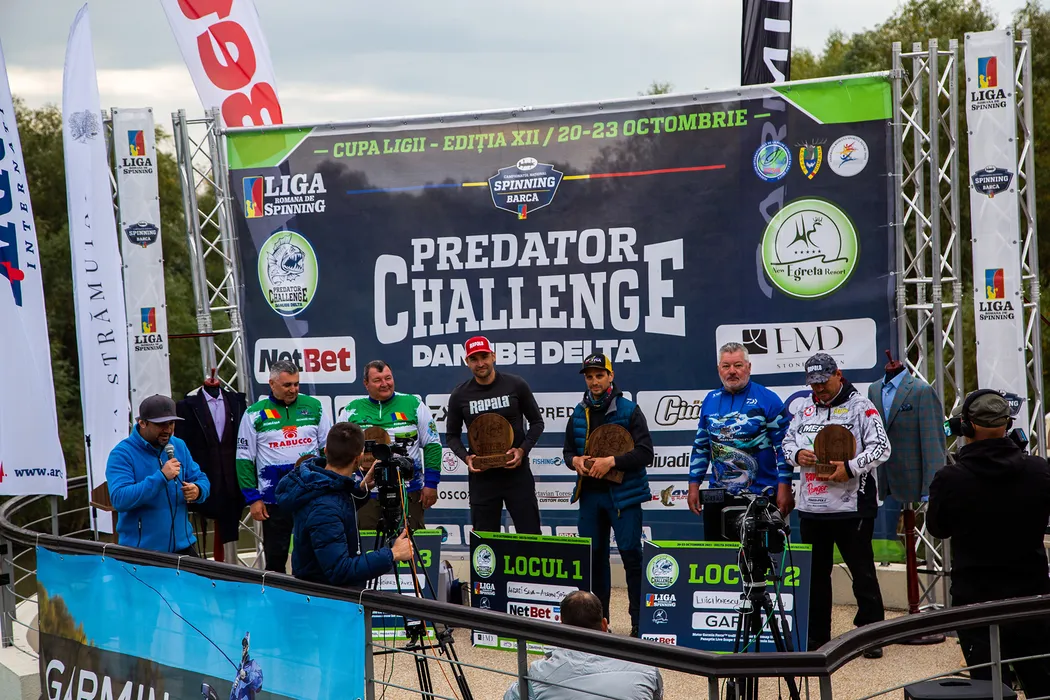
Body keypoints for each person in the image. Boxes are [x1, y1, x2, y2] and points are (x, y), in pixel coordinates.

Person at [927, 391, 1050, 696]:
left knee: (988, 688)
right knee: (1041, 683)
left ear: (966, 427)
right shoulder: (1039, 470)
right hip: (1031, 597)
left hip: (975, 602)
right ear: (1008, 424)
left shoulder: (950, 479)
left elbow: (938, 528)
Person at [782, 353, 890, 657]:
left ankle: (871, 635)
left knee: (862, 572)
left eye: (823, 382)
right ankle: (817, 637)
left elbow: (882, 448)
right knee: (816, 576)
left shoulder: (861, 406)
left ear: (838, 374)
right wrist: (796, 455)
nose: (819, 388)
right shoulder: (804, 408)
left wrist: (851, 467)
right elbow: (786, 443)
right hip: (812, 508)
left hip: (851, 506)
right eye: (813, 383)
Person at [563, 353, 653, 637]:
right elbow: (567, 451)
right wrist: (575, 461)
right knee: (594, 559)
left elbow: (645, 453)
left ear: (611, 376)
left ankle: (639, 623)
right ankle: (598, 625)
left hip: (624, 497)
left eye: (599, 375)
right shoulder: (579, 411)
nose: (594, 381)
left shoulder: (629, 410)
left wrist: (611, 461)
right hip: (591, 496)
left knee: (632, 557)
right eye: (589, 377)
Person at [275, 422, 413, 586]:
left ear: (326, 450)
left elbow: (337, 503)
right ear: (359, 458)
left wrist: (362, 488)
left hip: (325, 594)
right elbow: (340, 570)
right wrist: (392, 554)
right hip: (327, 598)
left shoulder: (320, 485)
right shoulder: (324, 508)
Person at [688, 342, 792, 539]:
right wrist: (694, 485)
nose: (732, 371)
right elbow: (701, 446)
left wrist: (784, 486)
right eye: (726, 366)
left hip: (761, 495)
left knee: (761, 555)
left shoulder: (768, 399)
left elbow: (784, 448)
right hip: (718, 497)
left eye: (738, 365)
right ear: (719, 369)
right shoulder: (710, 399)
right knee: (718, 555)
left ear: (748, 367)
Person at [237, 359, 332, 573]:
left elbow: (328, 449)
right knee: (276, 557)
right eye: (287, 385)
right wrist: (253, 498)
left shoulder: (314, 406)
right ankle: (276, 593)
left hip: (310, 494)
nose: (293, 389)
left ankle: (312, 591)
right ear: (272, 384)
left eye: (296, 384)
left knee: (314, 553)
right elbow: (244, 459)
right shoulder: (254, 413)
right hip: (274, 498)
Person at [445, 336, 544, 534]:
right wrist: (466, 458)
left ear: (493, 356)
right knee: (485, 541)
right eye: (474, 359)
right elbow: (451, 436)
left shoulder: (516, 385)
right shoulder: (459, 395)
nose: (480, 363)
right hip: (483, 479)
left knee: (530, 535)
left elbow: (537, 423)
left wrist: (522, 450)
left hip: (517, 475)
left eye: (484, 357)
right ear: (467, 362)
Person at [503, 591, 663, 700]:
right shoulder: (646, 666)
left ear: (562, 628)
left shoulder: (538, 673)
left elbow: (510, 697)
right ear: (604, 624)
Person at [343, 360, 441, 531]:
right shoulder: (351, 410)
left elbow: (432, 445)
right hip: (367, 493)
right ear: (366, 383)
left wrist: (431, 484)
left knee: (410, 543)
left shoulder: (413, 404)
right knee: (368, 545)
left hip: (408, 491)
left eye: (388, 378)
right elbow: (341, 451)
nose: (384, 384)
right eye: (377, 380)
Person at [106, 394, 211, 555]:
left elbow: (201, 478)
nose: (167, 430)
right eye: (161, 424)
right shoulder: (122, 454)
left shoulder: (178, 445)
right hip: (142, 552)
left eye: (171, 423)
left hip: (184, 545)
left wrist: (198, 490)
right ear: (142, 423)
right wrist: (161, 477)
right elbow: (120, 499)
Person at [175, 377, 248, 556]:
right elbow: (183, 445)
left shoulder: (237, 402)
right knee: (199, 540)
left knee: (229, 531)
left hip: (232, 482)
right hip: (202, 478)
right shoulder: (187, 406)